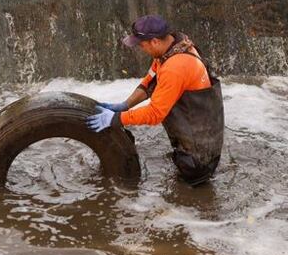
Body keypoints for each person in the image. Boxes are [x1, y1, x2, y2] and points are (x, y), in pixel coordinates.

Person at [86, 14, 224, 185]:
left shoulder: (175, 67)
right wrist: (125, 105)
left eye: (142, 45)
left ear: (155, 42)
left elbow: (155, 113)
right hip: (193, 136)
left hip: (198, 157)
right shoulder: (173, 47)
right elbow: (150, 81)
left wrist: (117, 119)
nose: (141, 49)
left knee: (191, 196)